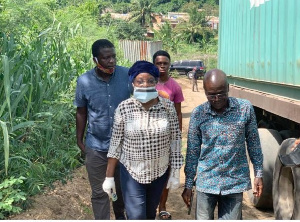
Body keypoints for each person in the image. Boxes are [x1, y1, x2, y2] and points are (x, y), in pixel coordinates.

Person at [102, 60, 184, 220]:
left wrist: (175, 172)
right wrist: (109, 177)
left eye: (150, 80)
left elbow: (175, 141)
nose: (145, 85)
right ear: (132, 83)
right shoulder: (124, 108)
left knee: (149, 213)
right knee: (136, 215)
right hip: (132, 172)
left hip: (159, 171)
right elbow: (115, 144)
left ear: (156, 82)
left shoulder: (168, 108)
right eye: (140, 81)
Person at [181, 69, 264, 220]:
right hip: (206, 182)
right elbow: (193, 152)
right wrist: (188, 184)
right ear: (205, 91)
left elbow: (254, 143)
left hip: (234, 182)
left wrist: (258, 173)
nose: (217, 98)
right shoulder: (198, 114)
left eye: (221, 93)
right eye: (212, 95)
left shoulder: (244, 109)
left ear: (228, 88)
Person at [74, 39, 130, 220]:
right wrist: (80, 141)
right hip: (96, 146)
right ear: (95, 60)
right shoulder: (84, 81)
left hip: (124, 147)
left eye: (113, 56)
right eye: (106, 58)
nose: (111, 61)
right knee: (99, 193)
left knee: (121, 191)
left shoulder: (126, 75)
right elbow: (81, 112)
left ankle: (120, 215)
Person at [153, 50, 184, 220]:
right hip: (149, 138)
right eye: (159, 63)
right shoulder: (146, 83)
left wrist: (177, 136)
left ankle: (162, 206)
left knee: (166, 172)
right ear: (154, 64)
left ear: (169, 64)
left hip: (168, 137)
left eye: (165, 63)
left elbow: (178, 113)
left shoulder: (175, 87)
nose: (162, 66)